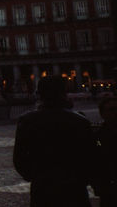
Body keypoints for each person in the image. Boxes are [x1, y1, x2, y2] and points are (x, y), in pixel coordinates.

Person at [13, 75, 97, 207]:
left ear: (39, 94)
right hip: (74, 186)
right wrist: (83, 178)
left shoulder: (27, 121)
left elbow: (19, 157)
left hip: (42, 186)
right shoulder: (80, 121)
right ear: (64, 93)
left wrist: (33, 176)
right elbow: (92, 154)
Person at [95, 95, 117, 206]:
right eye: (111, 110)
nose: (115, 113)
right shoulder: (98, 136)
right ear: (102, 114)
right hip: (108, 187)